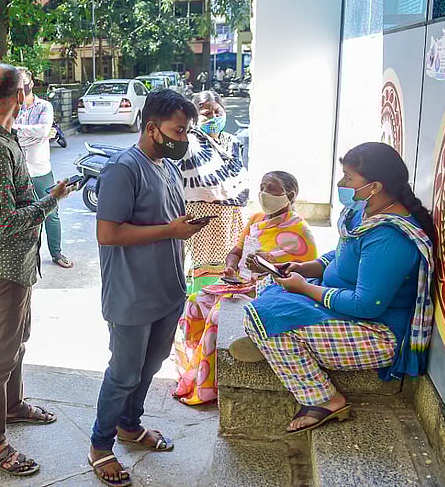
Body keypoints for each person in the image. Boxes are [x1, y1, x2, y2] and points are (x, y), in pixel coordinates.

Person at [230, 142, 436, 435]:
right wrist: (304, 268)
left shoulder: (390, 236)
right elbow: (339, 259)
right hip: (343, 309)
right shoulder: (362, 212)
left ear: (375, 186)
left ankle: (324, 399)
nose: (341, 183)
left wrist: (305, 289)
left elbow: (366, 305)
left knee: (259, 315)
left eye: (349, 178)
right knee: (269, 285)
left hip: (377, 332)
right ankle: (276, 344)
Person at [86, 89, 203, 487]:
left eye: (187, 130)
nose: (183, 138)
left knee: (149, 367)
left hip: (167, 289)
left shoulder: (166, 166)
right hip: (131, 294)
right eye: (178, 130)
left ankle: (129, 427)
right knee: (123, 373)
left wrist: (181, 225)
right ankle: (101, 446)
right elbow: (108, 233)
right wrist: (170, 229)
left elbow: (163, 219)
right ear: (152, 128)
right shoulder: (123, 168)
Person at [0, 63, 71, 477]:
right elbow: (5, 221)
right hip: (5, 262)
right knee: (2, 351)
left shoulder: (4, 136)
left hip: (19, 261)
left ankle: (13, 405)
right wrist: (53, 198)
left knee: (18, 338)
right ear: (20, 96)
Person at [173, 171, 318, 406]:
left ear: (289, 195)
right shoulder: (256, 219)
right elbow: (235, 252)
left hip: (267, 290)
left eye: (272, 189)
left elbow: (299, 274)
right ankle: (195, 370)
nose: (264, 193)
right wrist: (230, 268)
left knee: (218, 317)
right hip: (237, 283)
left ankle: (210, 384)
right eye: (262, 187)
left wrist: (265, 266)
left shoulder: (300, 231)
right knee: (194, 302)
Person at [178, 90, 247, 278]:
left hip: (230, 215)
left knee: (228, 267)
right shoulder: (189, 142)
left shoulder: (232, 142)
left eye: (218, 112)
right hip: (199, 215)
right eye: (207, 113)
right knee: (198, 269)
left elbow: (238, 178)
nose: (214, 117)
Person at [15, 68, 73, 269]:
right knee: (24, 215)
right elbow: (14, 133)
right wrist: (40, 134)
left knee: (51, 212)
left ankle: (56, 253)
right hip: (19, 173)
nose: (20, 86)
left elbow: (42, 130)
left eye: (23, 81)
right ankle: (28, 257)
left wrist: (28, 133)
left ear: (31, 83)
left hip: (41, 170)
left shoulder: (44, 107)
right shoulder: (13, 108)